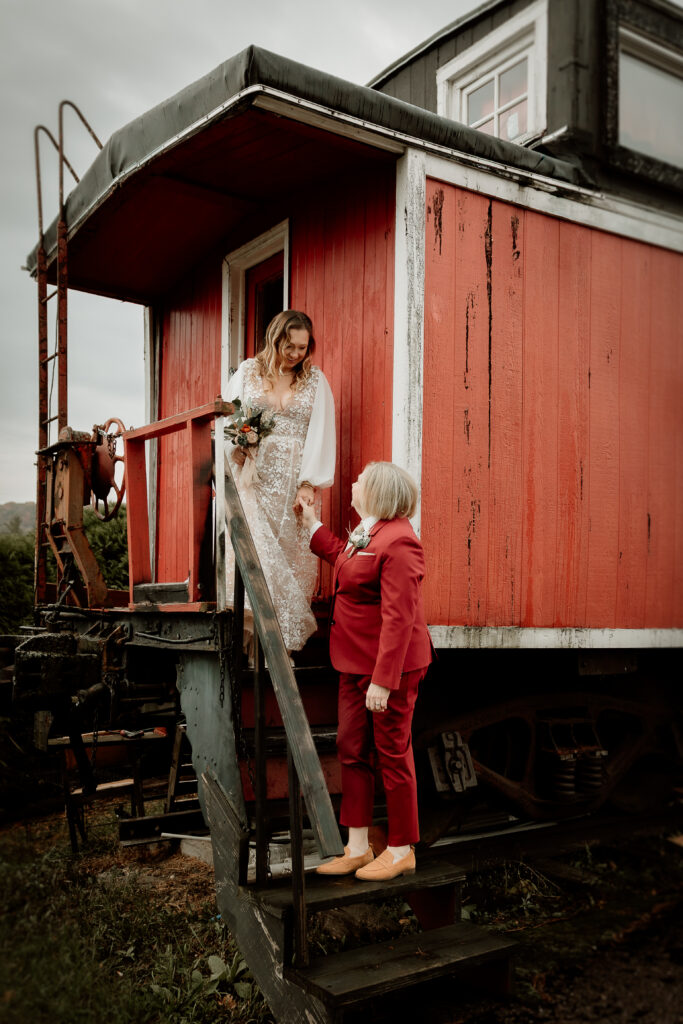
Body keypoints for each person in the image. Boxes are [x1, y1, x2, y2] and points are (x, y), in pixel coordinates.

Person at [297, 461, 433, 881]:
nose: (352, 484)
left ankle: (401, 848)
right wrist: (314, 525)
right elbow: (343, 558)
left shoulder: (400, 542)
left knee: (392, 753)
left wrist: (383, 680)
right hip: (353, 662)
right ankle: (357, 846)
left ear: (377, 492)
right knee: (351, 748)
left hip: (388, 669)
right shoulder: (369, 531)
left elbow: (400, 617)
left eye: (359, 482)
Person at [226, 310, 335, 652]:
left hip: (292, 478)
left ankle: (277, 648)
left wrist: (309, 483)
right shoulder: (248, 372)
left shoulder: (316, 381)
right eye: (289, 346)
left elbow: (320, 431)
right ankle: (251, 639)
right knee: (256, 545)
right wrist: (238, 445)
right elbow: (230, 417)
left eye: (302, 348)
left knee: (288, 554)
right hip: (254, 475)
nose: (295, 354)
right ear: (274, 340)